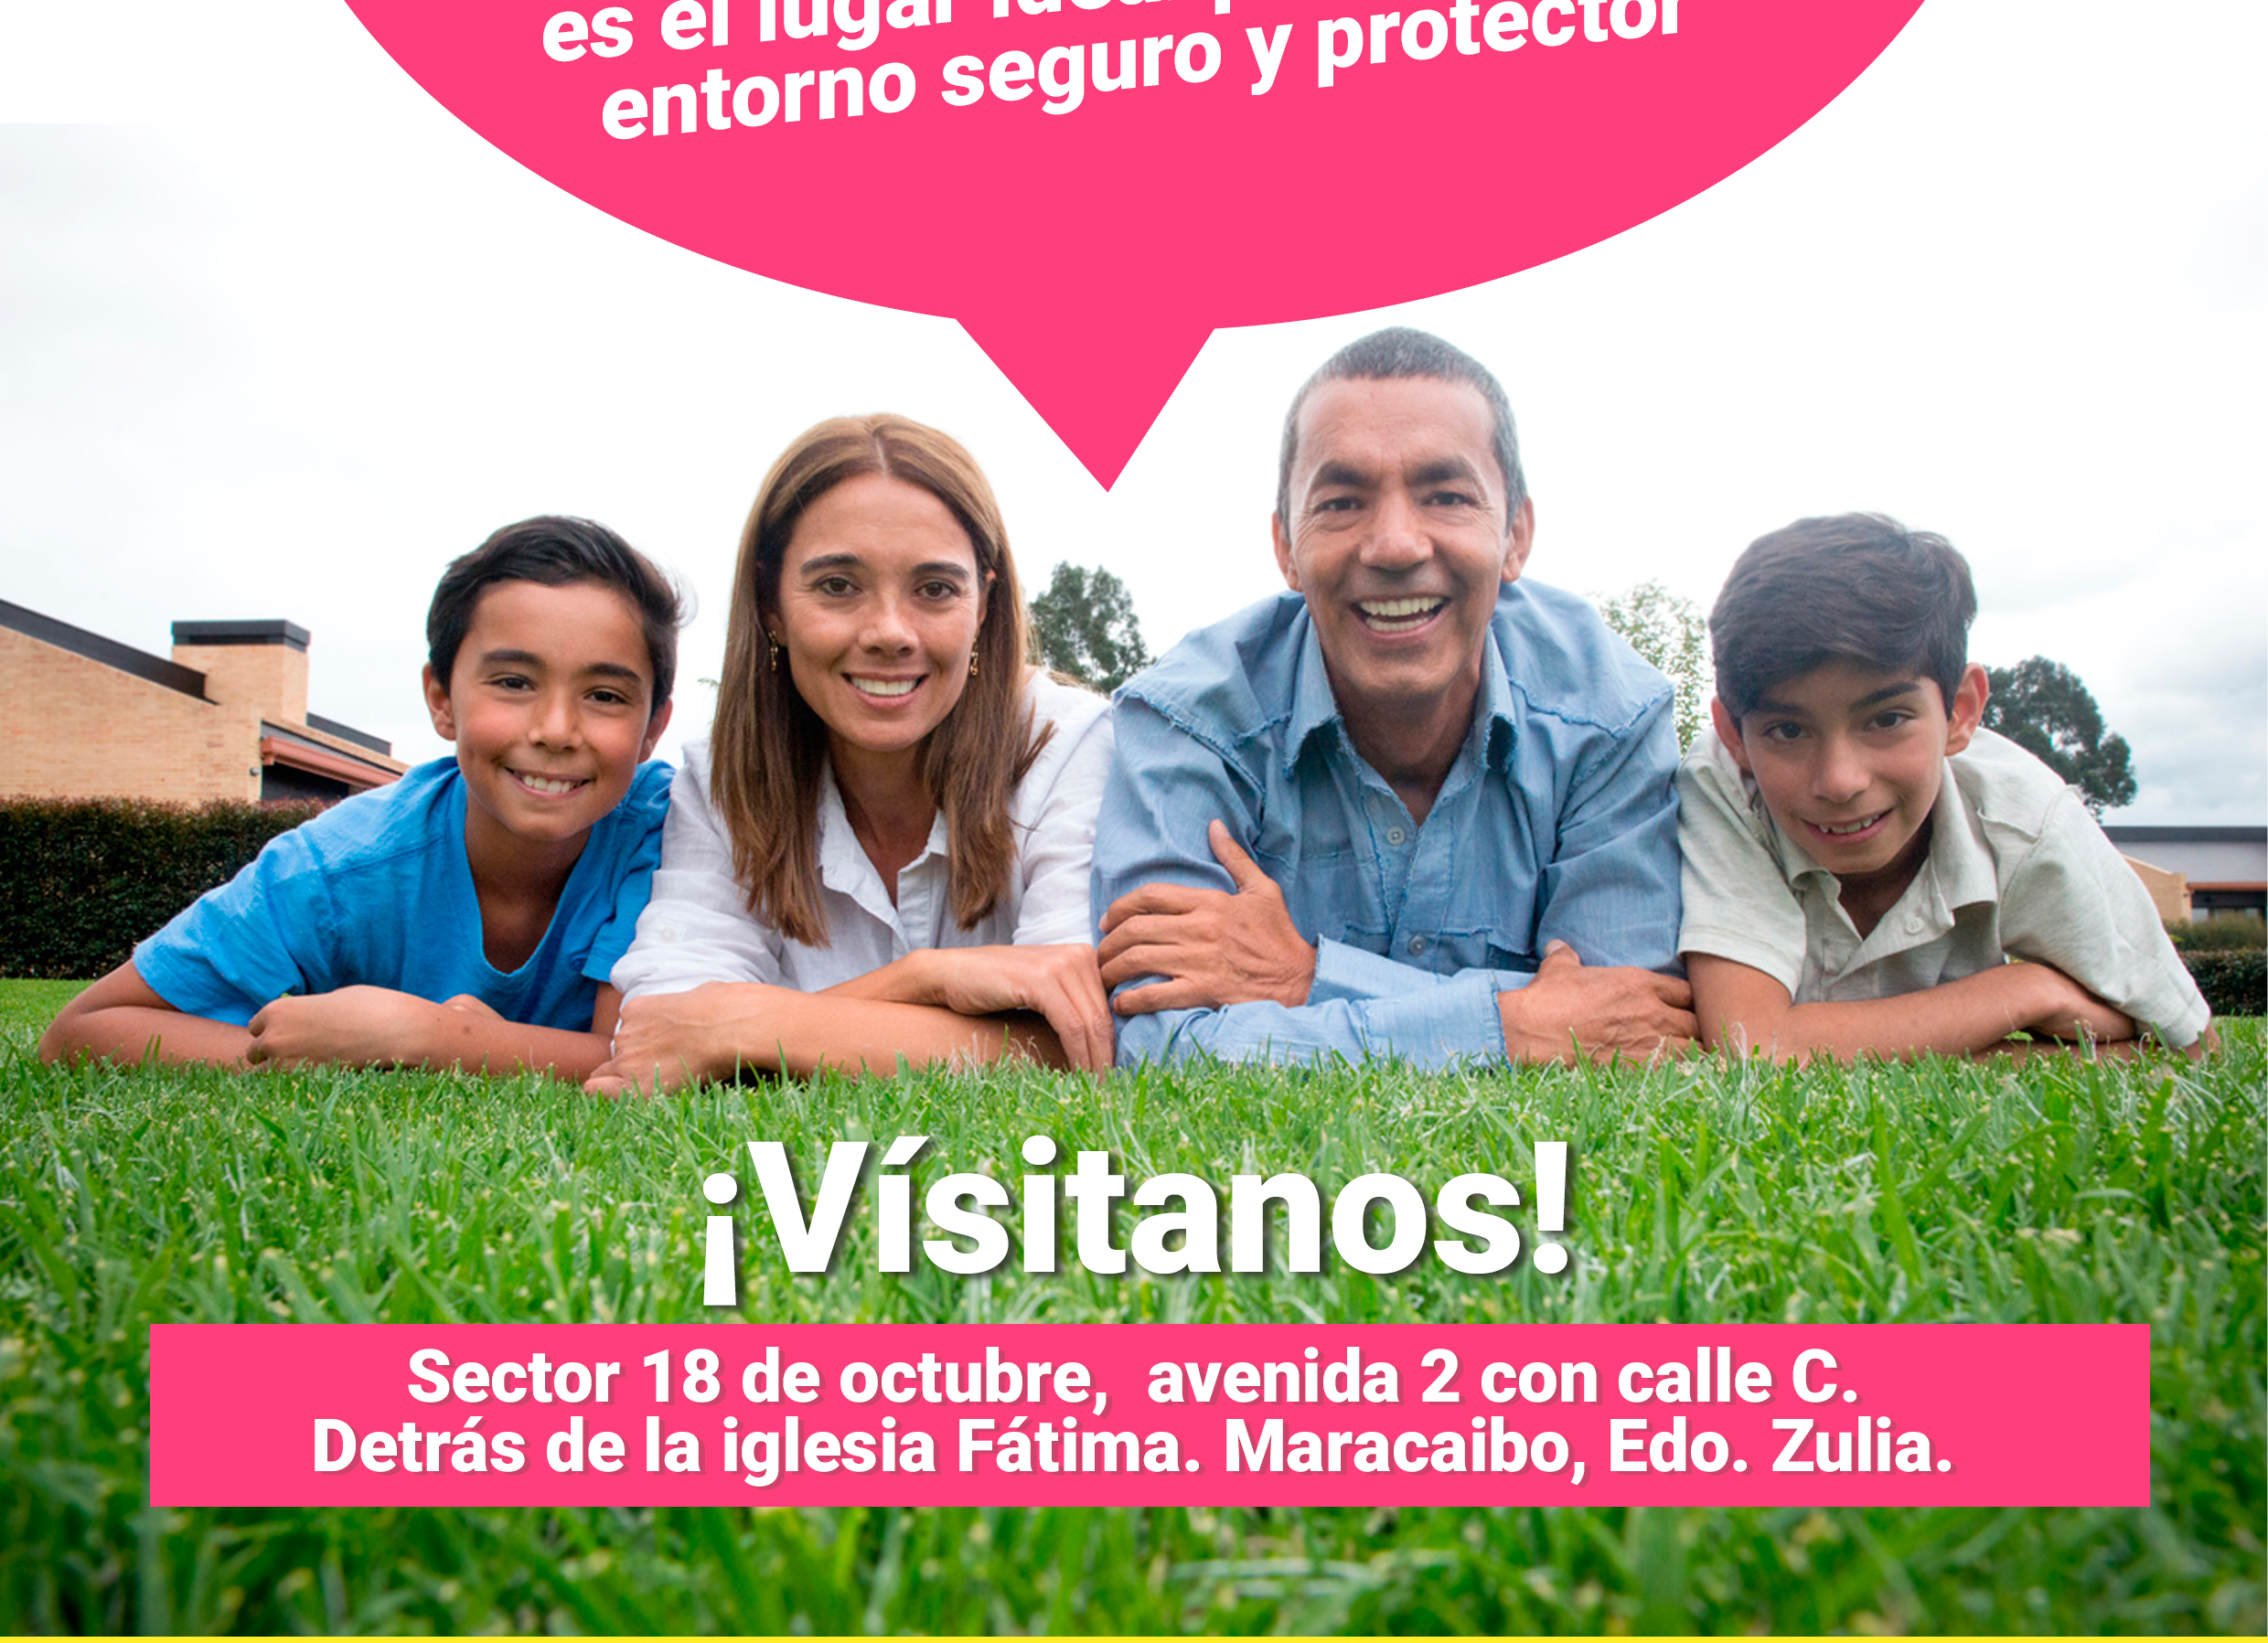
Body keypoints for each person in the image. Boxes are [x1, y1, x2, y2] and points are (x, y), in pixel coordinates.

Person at [1089, 325, 1696, 1064]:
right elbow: (1156, 1046)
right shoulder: (1191, 718)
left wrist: (1310, 978)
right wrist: (1519, 1027)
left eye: (1446, 495)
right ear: (1285, 547)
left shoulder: (1609, 715)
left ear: (1516, 536)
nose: (1396, 545)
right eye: (1342, 502)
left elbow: (1631, 1032)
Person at [40, 516, 680, 1077]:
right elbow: (85, 1030)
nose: (555, 731)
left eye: (605, 696)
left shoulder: (672, 836)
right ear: (441, 699)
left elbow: (641, 1056)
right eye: (513, 682)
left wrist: (438, 1041)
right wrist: (314, 1056)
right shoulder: (339, 867)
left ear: (653, 726)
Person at [595, 414, 1113, 1091]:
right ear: (771, 605)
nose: (890, 632)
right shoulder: (723, 782)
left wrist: (739, 1031)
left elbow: (1077, 1036)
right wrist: (926, 979)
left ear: (984, 605)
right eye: (838, 585)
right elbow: (661, 1028)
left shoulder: (1069, 743)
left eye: (935, 589)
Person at [1678, 512, 2212, 1059]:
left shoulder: (2026, 820)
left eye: (1886, 719)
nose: (1840, 781)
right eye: (1787, 730)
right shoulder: (1725, 789)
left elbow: (2192, 1049)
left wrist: (2001, 1058)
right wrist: (2025, 991)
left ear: (1960, 711)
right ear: (1734, 737)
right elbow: (1754, 1048)